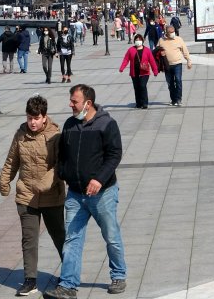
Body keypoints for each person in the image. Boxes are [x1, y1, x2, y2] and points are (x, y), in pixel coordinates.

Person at [45, 85, 127, 299]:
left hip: (103, 194)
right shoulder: (70, 125)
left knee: (111, 235)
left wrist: (99, 179)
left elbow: (114, 155)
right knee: (72, 238)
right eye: (71, 100)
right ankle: (68, 286)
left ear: (88, 103)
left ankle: (118, 274)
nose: (70, 104)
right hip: (75, 194)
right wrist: (64, 172)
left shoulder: (107, 124)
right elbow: (62, 154)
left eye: (74, 101)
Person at [0, 95, 65, 297]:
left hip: (51, 195)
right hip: (26, 194)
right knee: (29, 239)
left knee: (59, 236)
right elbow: (12, 160)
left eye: (36, 118)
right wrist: (4, 180)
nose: (32, 122)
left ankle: (69, 273)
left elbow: (61, 164)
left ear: (44, 117)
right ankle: (30, 280)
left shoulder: (56, 134)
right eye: (29, 118)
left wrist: (47, 181)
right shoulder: (20, 134)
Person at [119, 34, 159, 109]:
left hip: (144, 72)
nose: (138, 41)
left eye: (139, 40)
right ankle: (138, 103)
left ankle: (144, 103)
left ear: (142, 41)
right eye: (136, 40)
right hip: (134, 73)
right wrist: (122, 68)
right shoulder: (131, 50)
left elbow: (152, 61)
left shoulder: (147, 50)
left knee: (142, 86)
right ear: (134, 41)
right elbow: (126, 59)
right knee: (136, 87)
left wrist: (155, 71)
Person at [156, 25, 192, 106]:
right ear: (166, 33)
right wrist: (160, 53)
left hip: (177, 64)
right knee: (170, 83)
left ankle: (179, 99)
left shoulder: (179, 39)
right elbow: (156, 50)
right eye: (171, 32)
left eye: (173, 32)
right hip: (167, 65)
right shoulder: (161, 40)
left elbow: (185, 51)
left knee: (178, 80)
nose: (173, 33)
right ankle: (173, 99)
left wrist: (188, 60)